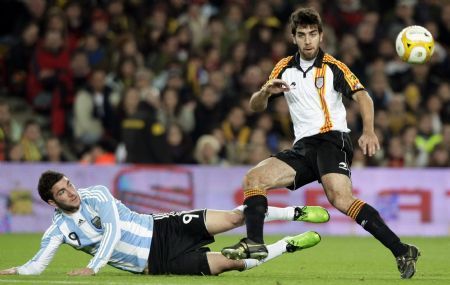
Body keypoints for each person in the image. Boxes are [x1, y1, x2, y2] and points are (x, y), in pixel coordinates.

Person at [221, 7, 420, 279]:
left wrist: (370, 131)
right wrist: (264, 92)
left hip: (331, 139)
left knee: (340, 199)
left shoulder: (333, 67)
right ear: (294, 38)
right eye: (301, 35)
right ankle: (255, 244)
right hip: (302, 147)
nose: (307, 40)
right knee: (254, 178)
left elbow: (363, 96)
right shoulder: (283, 67)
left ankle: (400, 249)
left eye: (312, 34)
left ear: (321, 36)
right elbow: (255, 106)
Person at [0, 170, 328, 276]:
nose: (71, 192)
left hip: (162, 227)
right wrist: (16, 270)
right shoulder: (57, 230)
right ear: (51, 202)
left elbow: (112, 229)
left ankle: (292, 214)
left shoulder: (96, 194)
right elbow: (38, 263)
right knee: (235, 262)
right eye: (62, 191)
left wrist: (95, 266)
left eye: (69, 184)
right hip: (157, 262)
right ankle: (286, 245)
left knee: (233, 218)